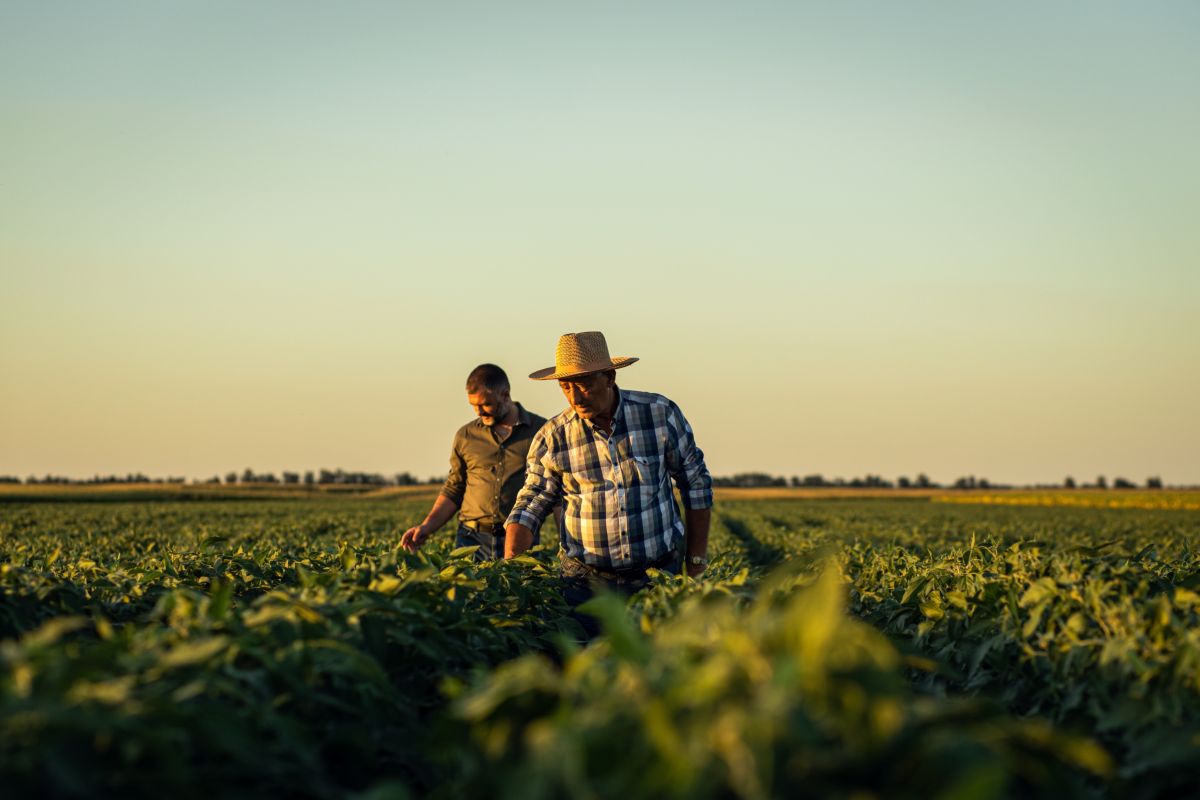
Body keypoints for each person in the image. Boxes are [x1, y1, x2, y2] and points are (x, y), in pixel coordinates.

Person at [503, 331, 713, 638]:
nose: (575, 396)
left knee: (657, 669)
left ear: (610, 377)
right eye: (566, 386)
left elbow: (696, 482)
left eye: (585, 384)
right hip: (584, 585)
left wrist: (695, 562)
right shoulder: (553, 437)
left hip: (656, 578)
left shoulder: (658, 414)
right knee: (586, 673)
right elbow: (529, 505)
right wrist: (512, 569)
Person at [400, 363, 554, 561]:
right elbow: (454, 488)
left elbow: (555, 491)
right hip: (470, 539)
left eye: (486, 404)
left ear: (505, 395)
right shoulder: (466, 436)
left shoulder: (540, 431)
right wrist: (426, 527)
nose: (479, 412)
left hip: (520, 537)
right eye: (474, 406)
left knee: (521, 590)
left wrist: (565, 541)